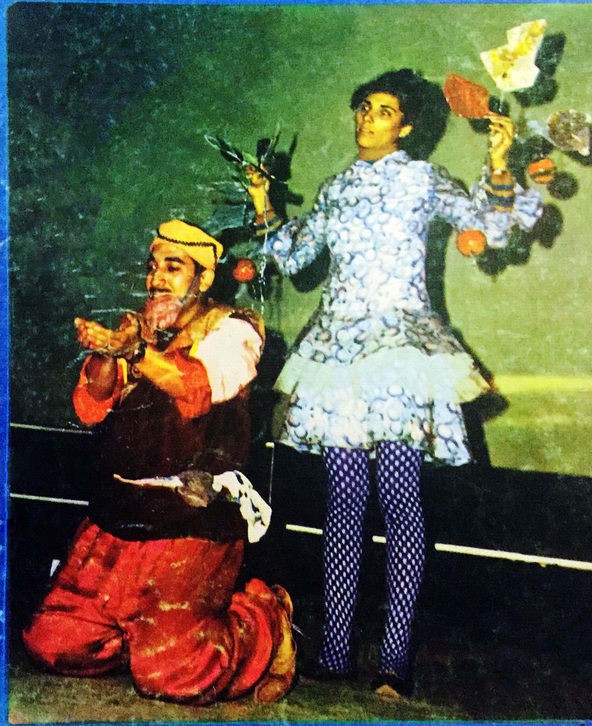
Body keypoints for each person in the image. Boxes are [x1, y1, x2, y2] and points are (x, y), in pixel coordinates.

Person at [246, 69, 542, 698]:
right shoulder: (337, 188)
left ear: (406, 127)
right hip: (337, 356)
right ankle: (333, 654)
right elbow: (295, 256)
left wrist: (498, 161)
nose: (367, 118)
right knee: (343, 508)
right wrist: (263, 202)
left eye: (383, 110)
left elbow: (487, 229)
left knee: (402, 504)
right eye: (363, 107)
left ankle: (395, 663)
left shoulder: (422, 179)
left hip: (402, 354)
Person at [22, 219, 296, 704]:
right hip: (120, 514)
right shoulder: (143, 329)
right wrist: (109, 353)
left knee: (173, 676)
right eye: (153, 267)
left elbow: (195, 387)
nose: (156, 279)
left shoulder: (234, 329)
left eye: (173, 268)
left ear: (204, 278)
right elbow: (92, 406)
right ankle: (144, 634)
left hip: (189, 518)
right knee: (52, 642)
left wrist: (136, 352)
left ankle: (264, 619)